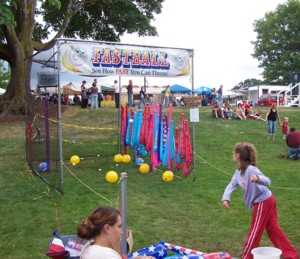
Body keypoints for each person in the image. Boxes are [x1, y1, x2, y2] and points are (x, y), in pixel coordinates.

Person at [222, 142, 299, 259]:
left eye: (234, 152)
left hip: (264, 201)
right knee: (274, 230)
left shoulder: (251, 170)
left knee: (255, 231)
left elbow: (268, 181)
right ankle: (292, 255)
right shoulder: (238, 173)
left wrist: (258, 178)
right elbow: (231, 185)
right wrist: (226, 199)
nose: (233, 154)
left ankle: (247, 256)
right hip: (267, 200)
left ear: (237, 155)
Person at [77, 206, 155, 259]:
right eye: (119, 226)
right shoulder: (107, 255)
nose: (121, 232)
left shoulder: (89, 245)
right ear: (107, 228)